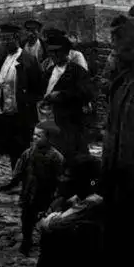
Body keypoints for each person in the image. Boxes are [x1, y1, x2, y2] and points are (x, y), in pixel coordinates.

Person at [100, 17, 134, 267]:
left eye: (123, 46)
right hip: (118, 181)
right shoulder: (121, 84)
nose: (116, 52)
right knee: (119, 241)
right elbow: (111, 133)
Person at [0, 23, 44, 177]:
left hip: (22, 112)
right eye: (2, 39)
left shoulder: (28, 59)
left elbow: (38, 87)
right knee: (12, 147)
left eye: (8, 39)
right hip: (6, 111)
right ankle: (16, 177)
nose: (5, 43)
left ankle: (27, 179)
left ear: (16, 38)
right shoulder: (4, 59)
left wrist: (27, 102)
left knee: (23, 146)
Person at [38, 29, 96, 167]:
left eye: (57, 52)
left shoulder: (76, 71)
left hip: (70, 123)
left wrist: (61, 95)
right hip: (51, 121)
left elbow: (87, 93)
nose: (54, 55)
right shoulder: (49, 71)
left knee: (72, 158)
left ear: (65, 52)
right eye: (51, 52)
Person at [12, 120, 65, 256]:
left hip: (45, 193)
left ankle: (44, 243)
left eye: (39, 136)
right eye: (34, 134)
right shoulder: (28, 153)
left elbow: (59, 177)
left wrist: (57, 194)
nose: (34, 137)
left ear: (49, 138)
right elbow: (19, 169)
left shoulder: (56, 157)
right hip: (29, 191)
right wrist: (18, 177)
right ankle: (27, 240)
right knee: (26, 218)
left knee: (43, 218)